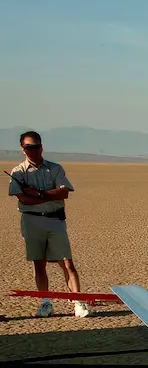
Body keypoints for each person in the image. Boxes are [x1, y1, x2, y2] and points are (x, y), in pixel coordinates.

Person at [7, 130, 91, 317]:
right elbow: (23, 200)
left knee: (67, 262)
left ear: (42, 147)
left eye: (36, 147)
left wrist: (38, 194)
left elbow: (64, 192)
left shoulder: (55, 169)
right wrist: (46, 195)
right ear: (22, 149)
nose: (32, 150)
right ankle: (45, 303)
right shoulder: (18, 172)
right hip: (31, 221)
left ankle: (78, 301)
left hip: (55, 219)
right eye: (28, 147)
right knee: (39, 263)